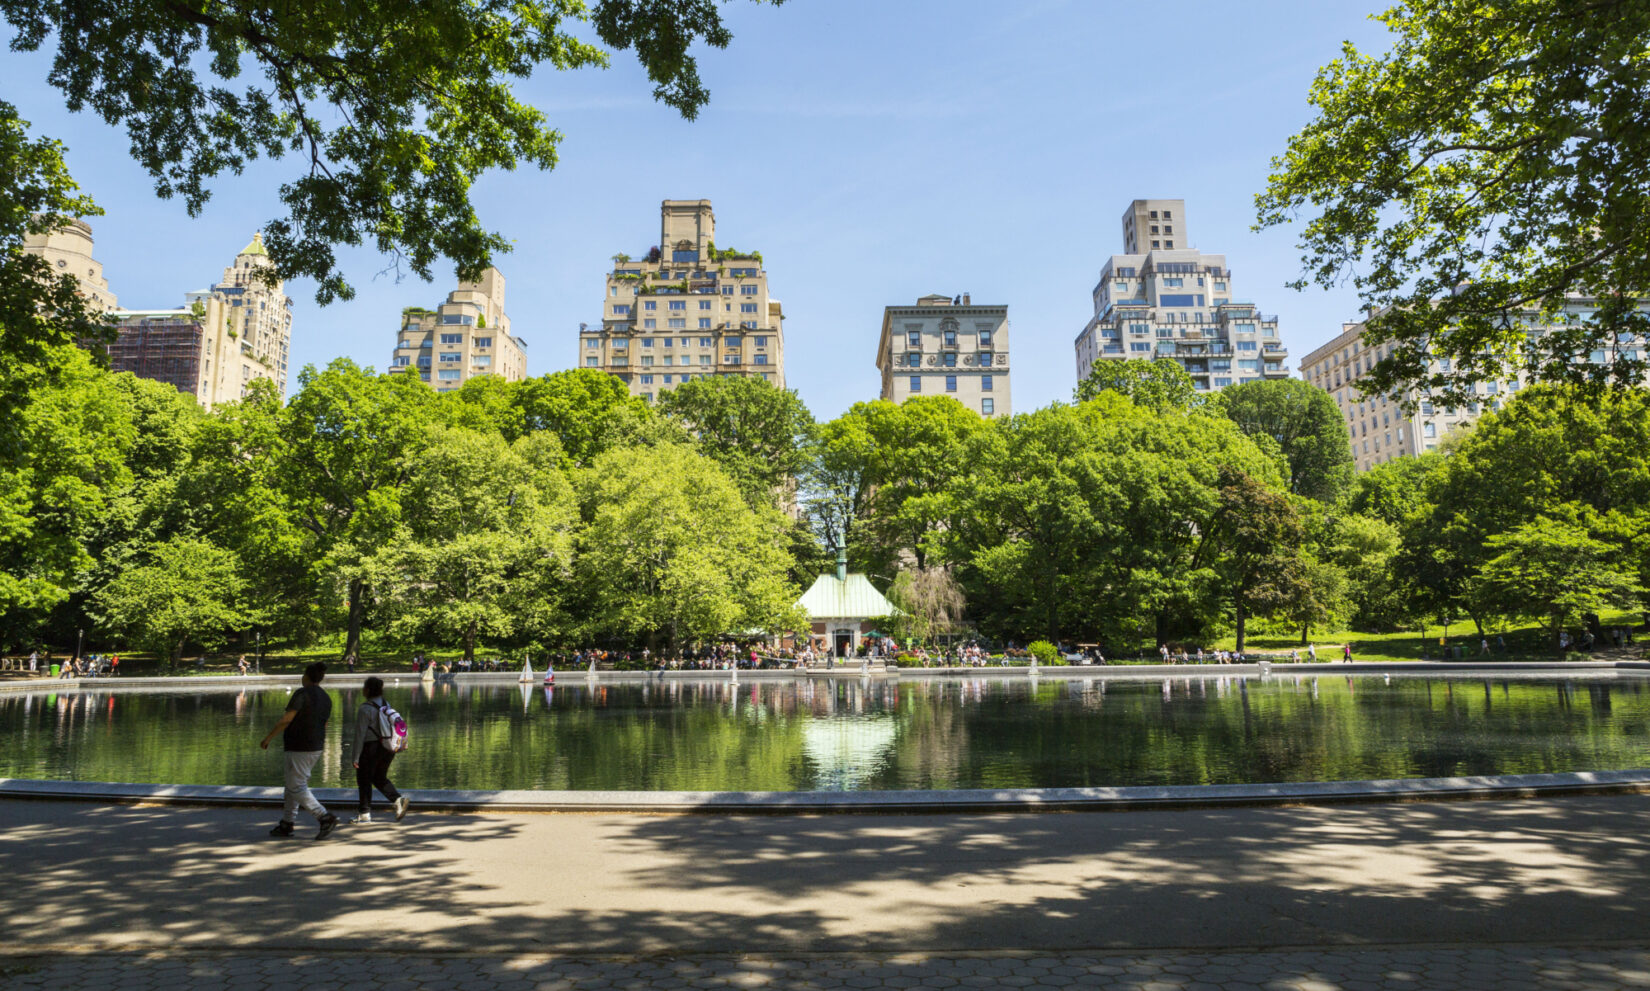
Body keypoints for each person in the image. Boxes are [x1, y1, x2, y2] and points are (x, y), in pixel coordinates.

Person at [260, 662, 339, 839]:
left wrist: (268, 738)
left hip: (299, 746)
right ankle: (287, 823)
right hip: (315, 746)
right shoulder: (326, 697)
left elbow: (286, 719)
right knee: (292, 786)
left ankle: (324, 816)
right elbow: (324, 724)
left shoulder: (302, 694)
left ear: (306, 676)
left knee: (296, 786)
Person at [350, 676, 409, 825]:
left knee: (364, 779)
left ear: (368, 690)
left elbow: (360, 734)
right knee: (378, 777)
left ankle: (364, 814)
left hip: (371, 748)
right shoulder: (386, 704)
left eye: (364, 687)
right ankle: (397, 800)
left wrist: (355, 757)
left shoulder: (365, 709)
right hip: (388, 747)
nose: (363, 689)